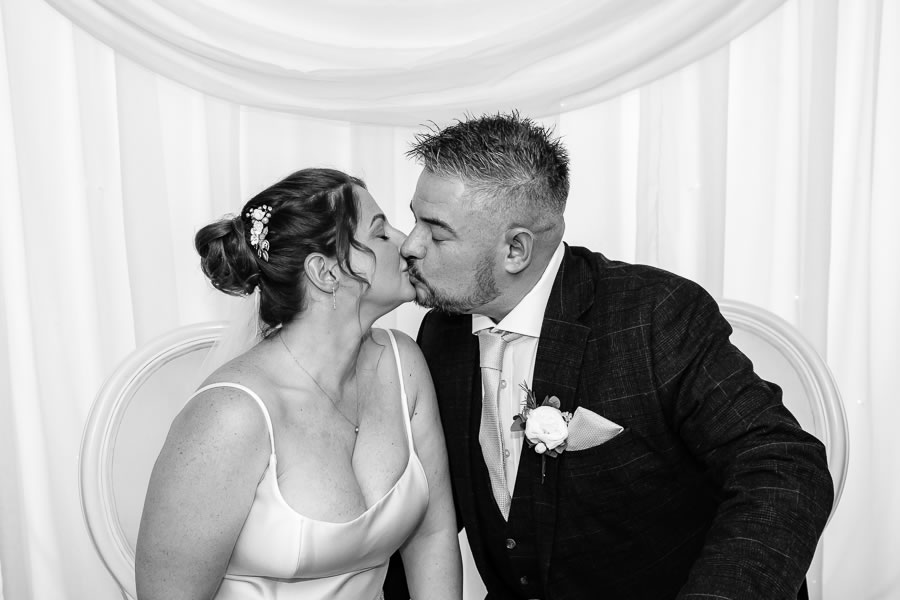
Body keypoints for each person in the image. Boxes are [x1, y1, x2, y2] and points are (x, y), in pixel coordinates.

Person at [384, 113, 834, 599]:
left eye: (436, 232)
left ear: (516, 249)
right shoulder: (441, 334)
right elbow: (428, 511)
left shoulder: (655, 314)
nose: (410, 245)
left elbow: (785, 466)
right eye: (414, 219)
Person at [135, 168, 462, 600]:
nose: (407, 243)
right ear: (325, 272)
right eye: (381, 233)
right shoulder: (233, 415)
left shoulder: (404, 364)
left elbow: (432, 536)